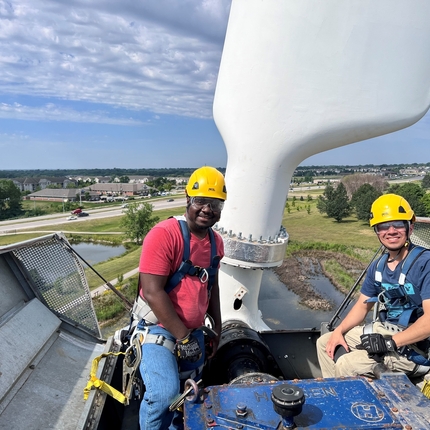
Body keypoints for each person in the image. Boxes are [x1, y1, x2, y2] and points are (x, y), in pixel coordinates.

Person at [135, 166, 227, 430]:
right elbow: (152, 291)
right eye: (201, 201)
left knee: (190, 396)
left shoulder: (215, 242)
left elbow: (213, 287)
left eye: (215, 203)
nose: (207, 209)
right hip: (158, 328)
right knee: (164, 395)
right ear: (188, 199)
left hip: (193, 331)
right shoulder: (165, 235)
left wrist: (217, 328)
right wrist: (184, 338)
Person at [317, 194, 430, 378]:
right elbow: (361, 307)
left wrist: (389, 343)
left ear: (410, 228)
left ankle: (350, 404)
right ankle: (337, 394)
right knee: (325, 343)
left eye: (398, 224)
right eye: (383, 226)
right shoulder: (378, 267)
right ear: (377, 231)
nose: (391, 231)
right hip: (386, 332)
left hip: (414, 345)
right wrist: (338, 331)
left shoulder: (425, 263)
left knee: (348, 364)